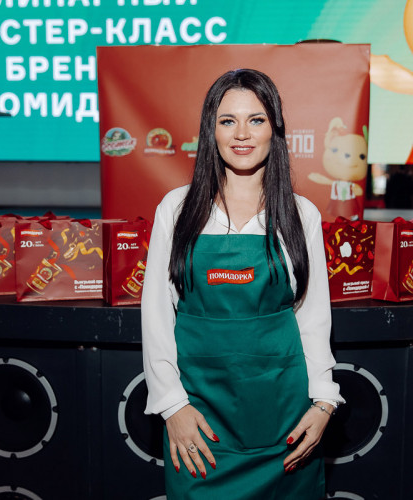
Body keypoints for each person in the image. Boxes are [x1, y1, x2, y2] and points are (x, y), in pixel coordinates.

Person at [141, 68, 344, 499]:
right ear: (210, 131)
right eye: (227, 121)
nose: (242, 134)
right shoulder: (176, 210)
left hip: (285, 421)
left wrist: (324, 403)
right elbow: (157, 317)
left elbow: (312, 319)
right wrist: (172, 407)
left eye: (256, 120)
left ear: (275, 129)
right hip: (200, 422)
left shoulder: (301, 214)